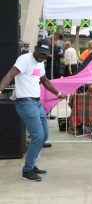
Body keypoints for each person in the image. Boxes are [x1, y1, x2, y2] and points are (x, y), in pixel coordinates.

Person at [0, 39, 66, 181]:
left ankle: (32, 163)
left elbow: (45, 81)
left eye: (45, 55)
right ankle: (27, 170)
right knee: (37, 136)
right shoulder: (24, 59)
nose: (42, 57)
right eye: (40, 53)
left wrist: (58, 94)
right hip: (25, 103)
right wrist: (0, 89)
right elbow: (10, 74)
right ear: (35, 49)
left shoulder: (41, 63)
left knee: (44, 136)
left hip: (37, 103)